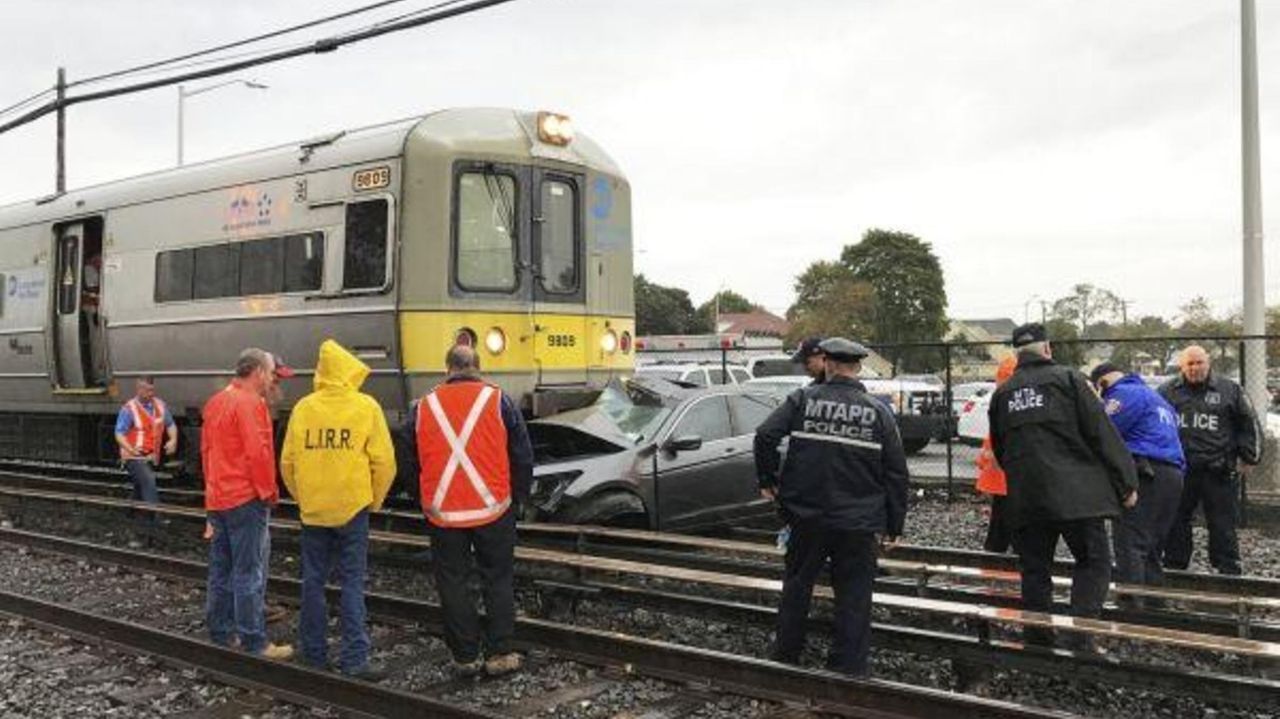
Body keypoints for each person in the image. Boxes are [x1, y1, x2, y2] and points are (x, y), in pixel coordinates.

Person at [754, 337, 909, 677]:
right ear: (857, 367)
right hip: (858, 522)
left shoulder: (802, 400)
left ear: (827, 363)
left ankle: (786, 655)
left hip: (806, 517)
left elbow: (765, 435)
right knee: (854, 594)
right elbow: (897, 473)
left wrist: (768, 481)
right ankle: (848, 667)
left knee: (797, 585)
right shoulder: (879, 413)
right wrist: (894, 525)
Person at [988, 323, 1137, 649]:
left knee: (1035, 569)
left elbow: (1000, 447)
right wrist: (1126, 482)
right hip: (1078, 496)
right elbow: (1101, 432)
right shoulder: (1070, 380)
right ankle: (1079, 638)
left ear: (1017, 354)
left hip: (1027, 497)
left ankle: (1038, 640)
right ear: (1048, 348)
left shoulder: (1003, 393)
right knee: (1093, 561)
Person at [401, 344, 533, 677]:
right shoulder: (499, 400)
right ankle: (499, 652)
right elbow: (522, 455)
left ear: (447, 368)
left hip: (443, 513)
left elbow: (406, 460)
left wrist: (423, 498)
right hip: (494, 508)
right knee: (498, 579)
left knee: (453, 582)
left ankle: (465, 656)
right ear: (478, 367)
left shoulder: (423, 406)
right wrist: (517, 498)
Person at [281, 340, 396, 678]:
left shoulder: (303, 408)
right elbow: (385, 462)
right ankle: (354, 659)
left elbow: (287, 462)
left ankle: (314, 653)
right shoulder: (366, 406)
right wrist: (373, 500)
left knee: (313, 582)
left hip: (314, 511)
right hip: (352, 509)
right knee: (352, 583)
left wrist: (304, 497)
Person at [202, 348, 293, 659]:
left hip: (219, 499)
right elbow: (258, 454)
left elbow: (207, 453)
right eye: (268, 373)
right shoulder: (252, 404)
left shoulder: (216, 402)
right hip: (245, 498)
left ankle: (221, 632)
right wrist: (269, 492)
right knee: (248, 572)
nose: (270, 379)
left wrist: (209, 497)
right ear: (256, 371)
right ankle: (255, 641)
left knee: (221, 569)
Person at [1159, 345, 1262, 576]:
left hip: (1218, 469)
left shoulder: (1230, 390)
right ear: (1182, 367)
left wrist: (1249, 457)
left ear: (1208, 363)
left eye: (1199, 363)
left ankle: (1228, 569)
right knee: (1176, 519)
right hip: (1180, 468)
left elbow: (1248, 423)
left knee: (1222, 523)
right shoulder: (1167, 391)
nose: (1195, 368)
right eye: (1190, 364)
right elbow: (1154, 423)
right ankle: (1175, 566)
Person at [1089, 363, 1185, 592]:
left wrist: (1095, 405)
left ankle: (1131, 611)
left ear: (1101, 384)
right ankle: (1154, 607)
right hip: (1173, 475)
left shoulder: (1121, 395)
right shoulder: (1157, 399)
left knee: (1130, 543)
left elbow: (1103, 432)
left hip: (1146, 472)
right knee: (1152, 549)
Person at [974, 356, 1017, 553]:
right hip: (1012, 476)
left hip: (1000, 475)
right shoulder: (1017, 399)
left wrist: (984, 462)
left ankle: (993, 560)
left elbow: (992, 440)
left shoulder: (1001, 399)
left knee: (1000, 522)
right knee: (1013, 523)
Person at [114, 376, 179, 505]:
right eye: (147, 390)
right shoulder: (129, 409)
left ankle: (130, 512)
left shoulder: (160, 406)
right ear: (139, 390)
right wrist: (131, 450)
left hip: (150, 456)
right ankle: (156, 517)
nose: (151, 394)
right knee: (149, 481)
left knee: (140, 485)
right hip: (133, 456)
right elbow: (119, 434)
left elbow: (170, 425)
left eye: (152, 390)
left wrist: (173, 440)